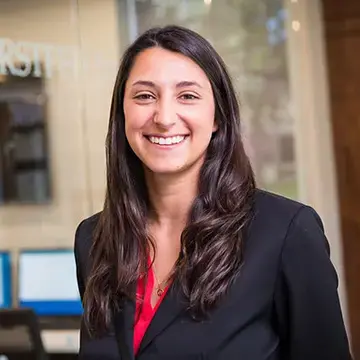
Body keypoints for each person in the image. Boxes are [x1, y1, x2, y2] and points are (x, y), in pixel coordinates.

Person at [74, 25, 352, 360]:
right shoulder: (94, 239)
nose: (163, 117)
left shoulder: (286, 233)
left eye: (187, 96)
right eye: (144, 96)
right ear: (122, 113)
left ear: (218, 116)